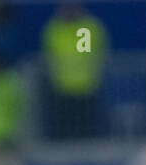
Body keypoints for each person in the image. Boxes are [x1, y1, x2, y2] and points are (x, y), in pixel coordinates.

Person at [41, 3, 110, 140]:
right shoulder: (55, 29)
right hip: (62, 84)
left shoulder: (87, 28)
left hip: (86, 83)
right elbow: (49, 52)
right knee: (65, 123)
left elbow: (90, 51)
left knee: (86, 124)